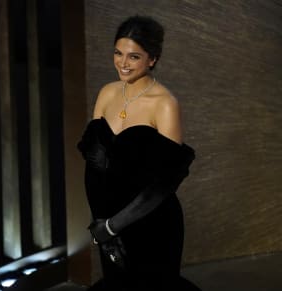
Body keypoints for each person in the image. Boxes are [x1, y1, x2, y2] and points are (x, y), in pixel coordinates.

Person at [78, 16, 201, 290]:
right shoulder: (107, 93)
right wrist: (102, 226)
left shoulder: (165, 104)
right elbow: (93, 166)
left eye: (133, 56)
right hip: (107, 222)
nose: (122, 63)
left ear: (152, 59)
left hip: (152, 223)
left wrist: (112, 226)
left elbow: (163, 185)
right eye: (118, 53)